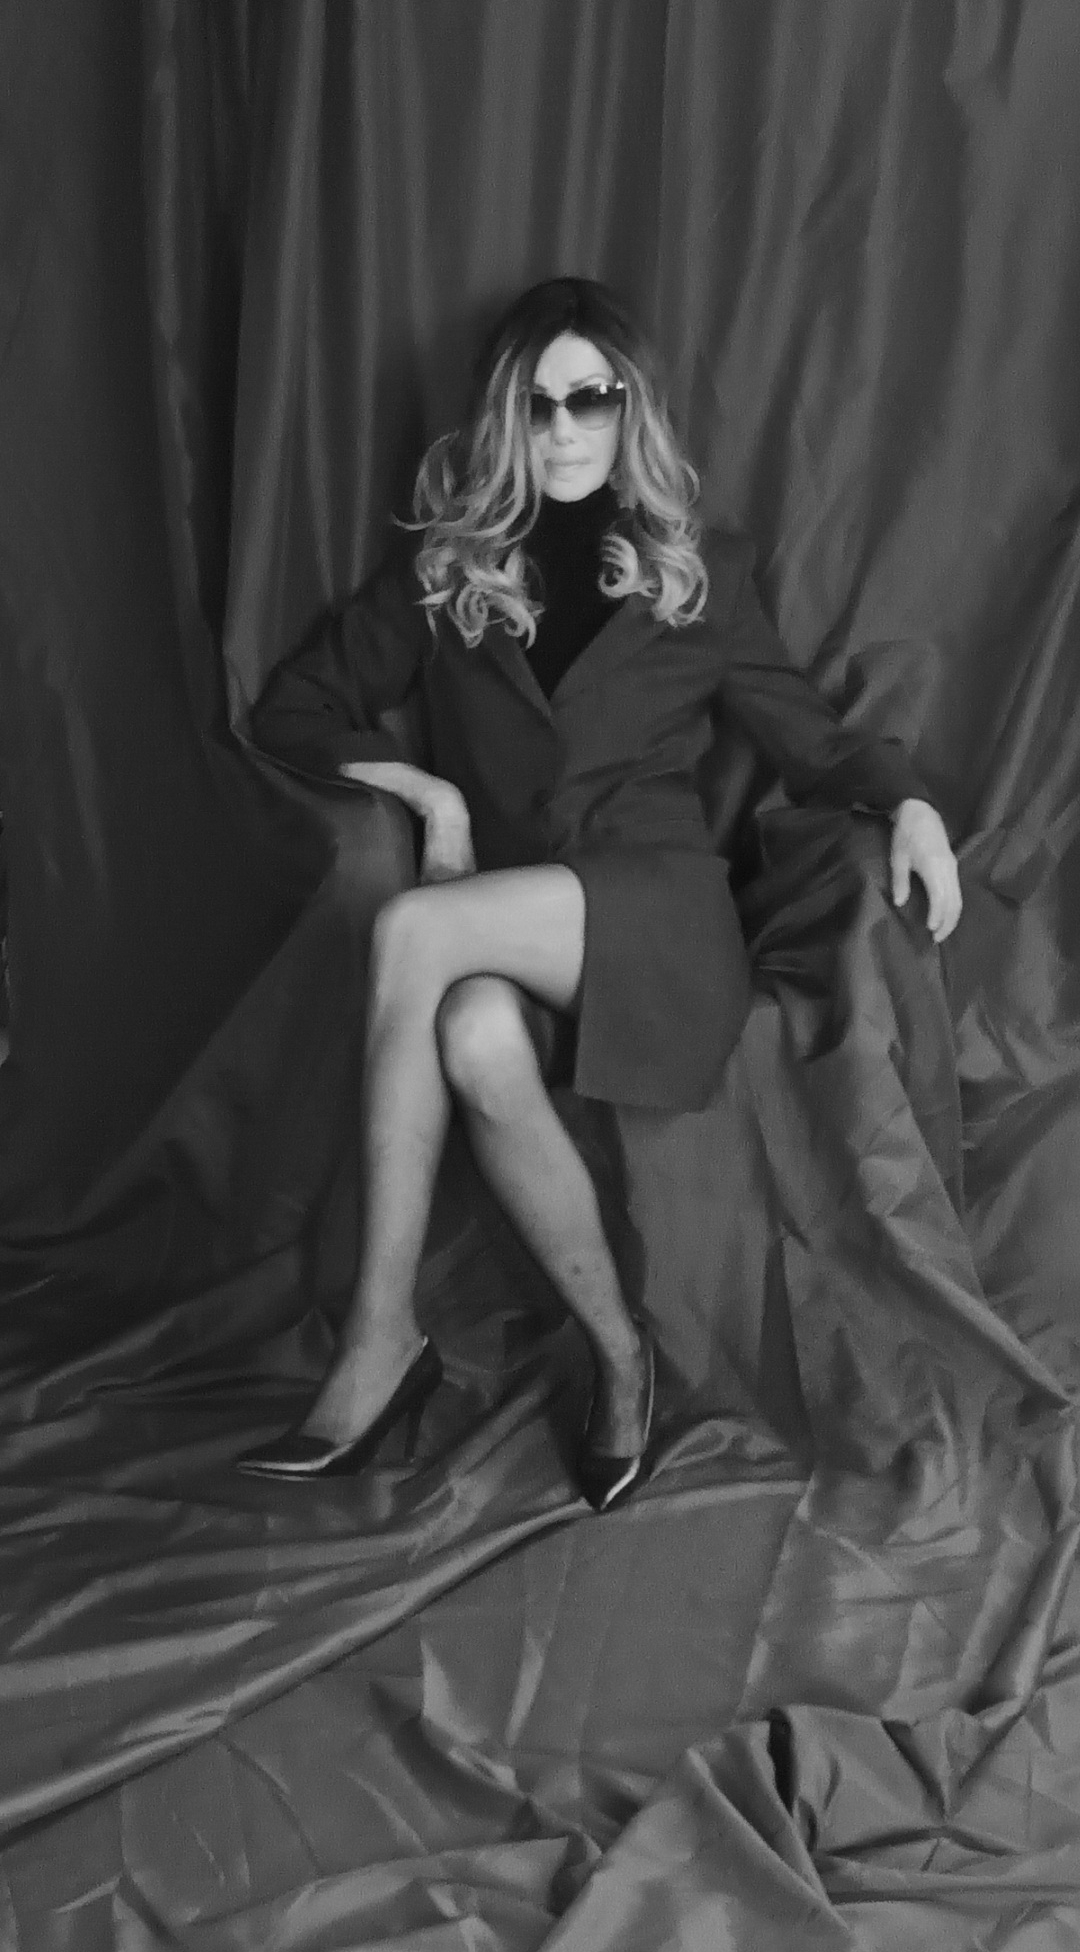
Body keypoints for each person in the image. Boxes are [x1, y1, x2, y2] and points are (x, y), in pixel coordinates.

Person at [239, 276, 961, 1506]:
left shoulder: (699, 571)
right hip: (522, 919)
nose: (565, 429)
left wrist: (910, 803)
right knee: (472, 1030)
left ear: (631, 409)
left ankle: (379, 1336)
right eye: (538, 404)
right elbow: (294, 707)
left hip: (662, 915)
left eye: (592, 398)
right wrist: (430, 791)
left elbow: (810, 739)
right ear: (503, 418)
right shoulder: (446, 569)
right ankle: (622, 1358)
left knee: (411, 925)